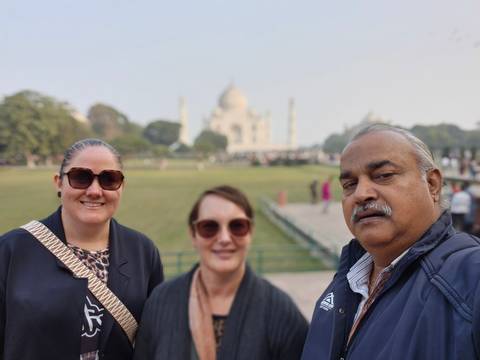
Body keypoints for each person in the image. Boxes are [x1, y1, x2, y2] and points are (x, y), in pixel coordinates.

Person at [302, 124, 480, 359]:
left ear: (432, 184)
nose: (361, 193)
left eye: (384, 176)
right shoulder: (345, 284)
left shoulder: (469, 279)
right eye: (349, 185)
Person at [0, 139, 164, 360]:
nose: (95, 191)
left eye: (109, 179)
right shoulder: (12, 249)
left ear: (122, 186)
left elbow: (156, 342)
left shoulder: (142, 251)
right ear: (59, 183)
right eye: (80, 177)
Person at [134, 185, 308, 360]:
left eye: (237, 226)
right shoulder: (160, 302)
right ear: (193, 235)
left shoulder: (281, 313)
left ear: (250, 232)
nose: (224, 238)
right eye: (209, 227)